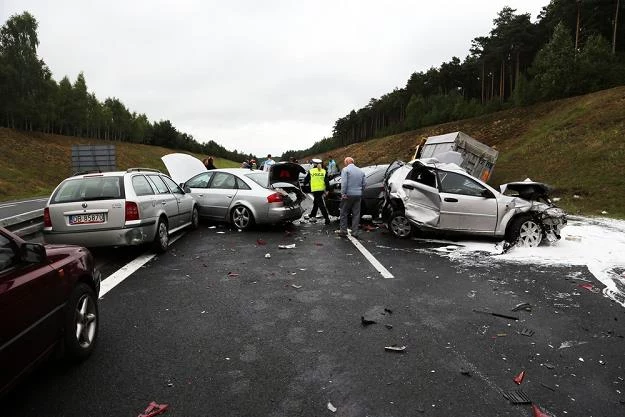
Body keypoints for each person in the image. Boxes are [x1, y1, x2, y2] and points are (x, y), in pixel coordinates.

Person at [336, 157, 366, 238]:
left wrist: (343, 193)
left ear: (346, 162)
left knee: (343, 213)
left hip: (348, 194)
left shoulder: (345, 170)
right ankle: (355, 232)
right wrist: (360, 191)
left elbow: (344, 183)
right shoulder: (361, 171)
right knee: (356, 214)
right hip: (358, 194)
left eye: (344, 162)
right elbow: (364, 184)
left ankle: (343, 231)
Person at [304, 158, 331, 225]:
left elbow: (306, 180)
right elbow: (327, 181)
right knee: (316, 202)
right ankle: (313, 214)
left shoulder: (311, 171)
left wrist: (305, 184)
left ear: (314, 164)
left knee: (321, 205)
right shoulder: (323, 171)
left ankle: (327, 219)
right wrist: (327, 190)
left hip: (315, 190)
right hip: (321, 189)